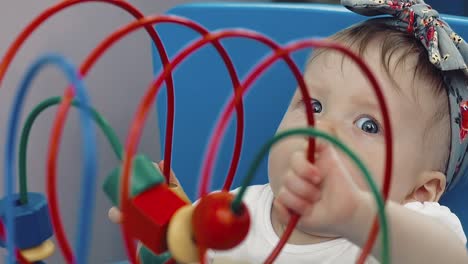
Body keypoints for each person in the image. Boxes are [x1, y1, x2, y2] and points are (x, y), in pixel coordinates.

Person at [109, 1, 468, 263]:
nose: (321, 130)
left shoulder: (406, 233)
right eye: (313, 107)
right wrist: (170, 235)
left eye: (368, 125)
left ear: (421, 192)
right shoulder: (231, 211)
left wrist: (358, 216)